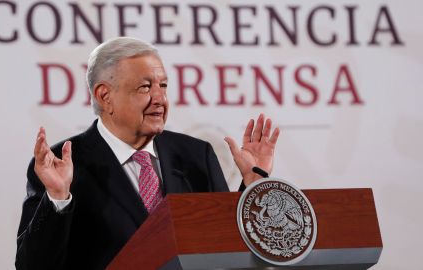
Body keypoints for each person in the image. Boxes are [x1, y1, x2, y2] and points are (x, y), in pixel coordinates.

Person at [15, 37, 280, 270]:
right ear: (105, 96)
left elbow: (225, 245)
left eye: (163, 86)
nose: (159, 98)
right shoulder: (63, 165)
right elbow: (33, 265)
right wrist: (58, 198)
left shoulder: (196, 155)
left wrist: (253, 187)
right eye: (145, 87)